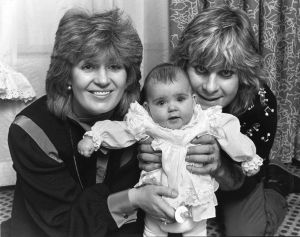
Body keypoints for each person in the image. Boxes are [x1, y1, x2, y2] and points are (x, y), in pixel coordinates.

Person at [2, 8, 179, 237]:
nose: (103, 80)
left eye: (115, 66)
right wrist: (132, 199)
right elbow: (61, 223)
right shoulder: (30, 131)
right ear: (67, 74)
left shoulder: (143, 119)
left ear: (128, 77)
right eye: (88, 66)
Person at [138, 6, 300, 236]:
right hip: (179, 180)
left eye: (225, 73)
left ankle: (277, 183)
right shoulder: (163, 89)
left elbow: (244, 182)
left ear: (243, 74)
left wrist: (219, 167)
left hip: (235, 182)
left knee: (246, 232)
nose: (210, 87)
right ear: (184, 64)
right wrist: (144, 150)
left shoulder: (260, 105)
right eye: (201, 69)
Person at [77, 63, 263, 236]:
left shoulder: (204, 120)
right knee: (152, 230)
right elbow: (120, 130)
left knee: (197, 230)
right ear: (147, 108)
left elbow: (231, 135)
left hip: (194, 195)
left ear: (193, 100)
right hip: (157, 197)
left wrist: (248, 157)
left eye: (180, 99)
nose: (172, 107)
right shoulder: (147, 124)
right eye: (161, 103)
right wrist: (95, 137)